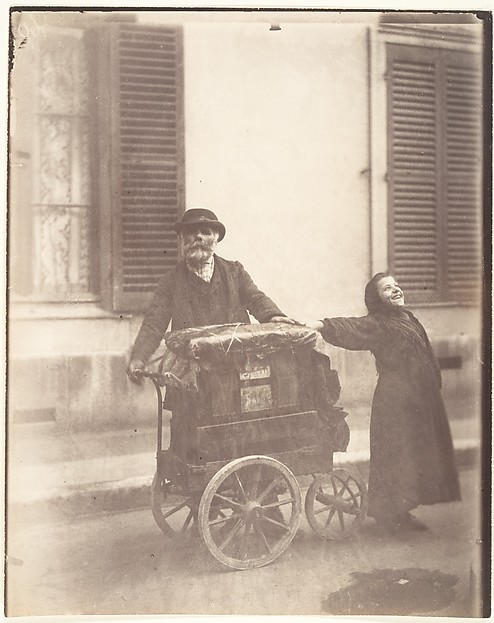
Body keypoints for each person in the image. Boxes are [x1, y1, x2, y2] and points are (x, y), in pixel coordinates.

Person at [127, 207, 297, 457]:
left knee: (239, 435)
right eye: (190, 232)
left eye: (204, 232)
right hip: (189, 374)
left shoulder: (234, 272)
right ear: (182, 239)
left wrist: (274, 316)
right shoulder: (170, 281)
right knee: (189, 440)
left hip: (234, 371)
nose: (197, 237)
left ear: (215, 239)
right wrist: (139, 357)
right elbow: (154, 323)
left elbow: (256, 298)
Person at [307, 272, 461, 534]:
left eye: (397, 286)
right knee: (396, 455)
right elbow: (352, 327)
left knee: (413, 456)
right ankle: (391, 516)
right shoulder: (378, 323)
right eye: (387, 289)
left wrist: (433, 382)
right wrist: (321, 324)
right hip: (395, 401)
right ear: (376, 299)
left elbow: (425, 351)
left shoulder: (408, 318)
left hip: (418, 400)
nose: (396, 290)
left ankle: (402, 511)